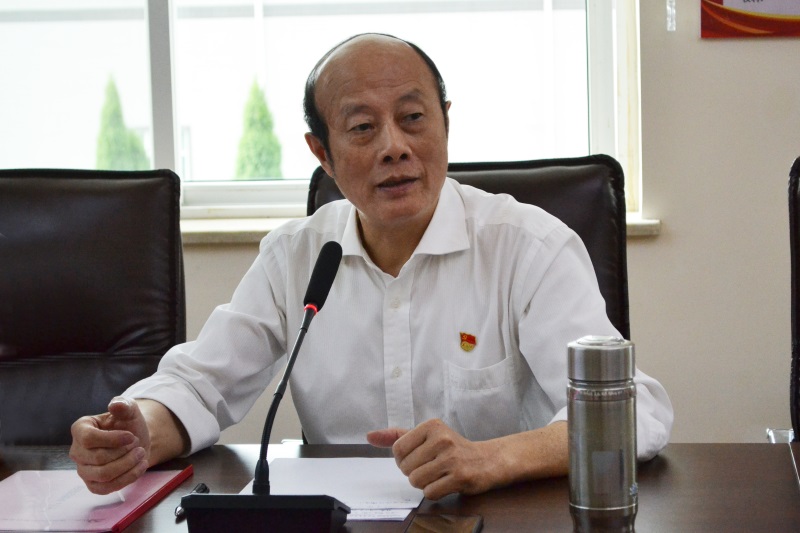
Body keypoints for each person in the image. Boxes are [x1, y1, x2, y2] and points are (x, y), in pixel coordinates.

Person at [70, 33, 673, 500]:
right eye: (362, 128)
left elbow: (635, 411)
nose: (394, 147)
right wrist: (138, 432)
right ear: (322, 154)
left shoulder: (528, 248)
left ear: (445, 122)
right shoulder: (295, 258)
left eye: (413, 118)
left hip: (505, 516)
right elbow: (200, 385)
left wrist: (491, 457)